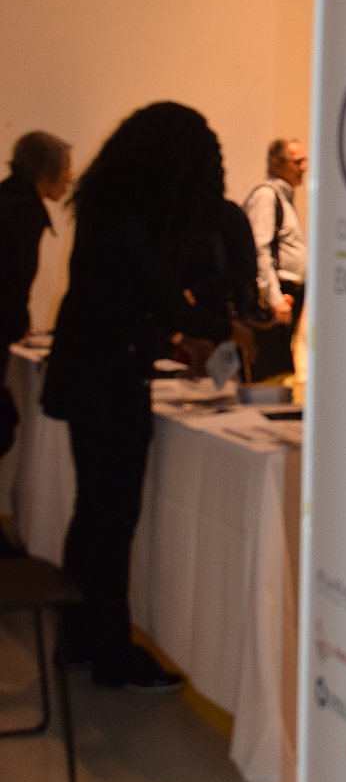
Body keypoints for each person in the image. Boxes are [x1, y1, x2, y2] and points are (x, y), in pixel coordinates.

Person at [42, 103, 254, 691]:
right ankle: (112, 655)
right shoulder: (130, 216)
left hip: (93, 375)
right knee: (111, 522)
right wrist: (224, 329)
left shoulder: (109, 206)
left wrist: (178, 334)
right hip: (108, 384)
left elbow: (129, 298)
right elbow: (160, 298)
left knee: (93, 515)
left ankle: (80, 639)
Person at [0, 131, 73, 551]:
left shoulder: (8, 199)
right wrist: (17, 323)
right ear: (46, 172)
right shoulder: (23, 212)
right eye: (64, 170)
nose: (68, 179)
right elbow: (12, 281)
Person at [243, 137, 307, 380]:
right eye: (297, 162)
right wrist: (274, 297)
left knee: (283, 365)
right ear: (277, 163)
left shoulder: (284, 197)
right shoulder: (266, 196)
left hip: (289, 291)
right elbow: (259, 248)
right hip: (279, 293)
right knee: (271, 369)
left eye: (305, 161)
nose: (304, 167)